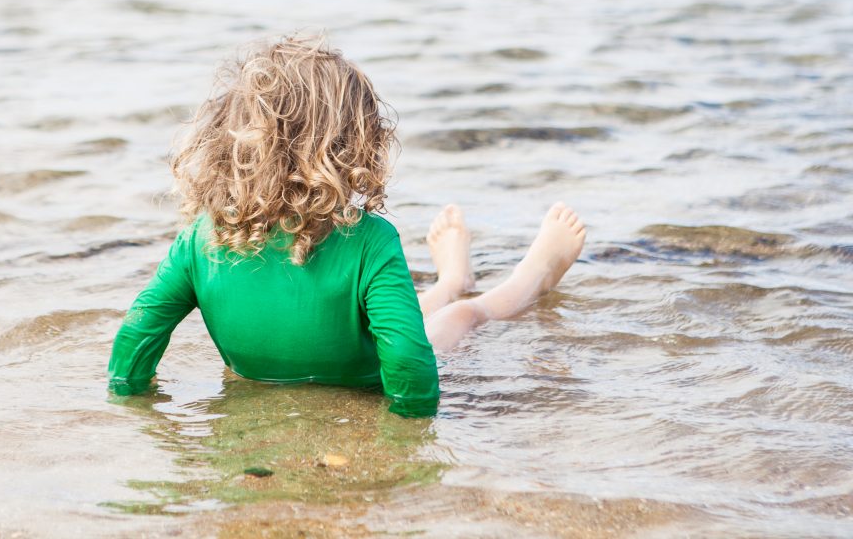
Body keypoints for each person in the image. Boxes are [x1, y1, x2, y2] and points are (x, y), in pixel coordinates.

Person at [106, 34, 587, 417]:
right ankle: (513, 279)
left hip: (264, 373)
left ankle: (451, 280)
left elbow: (140, 330)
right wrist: (408, 422)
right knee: (460, 317)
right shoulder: (371, 241)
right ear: (351, 147)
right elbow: (404, 357)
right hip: (363, 377)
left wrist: (128, 397)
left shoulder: (199, 240)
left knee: (400, 313)